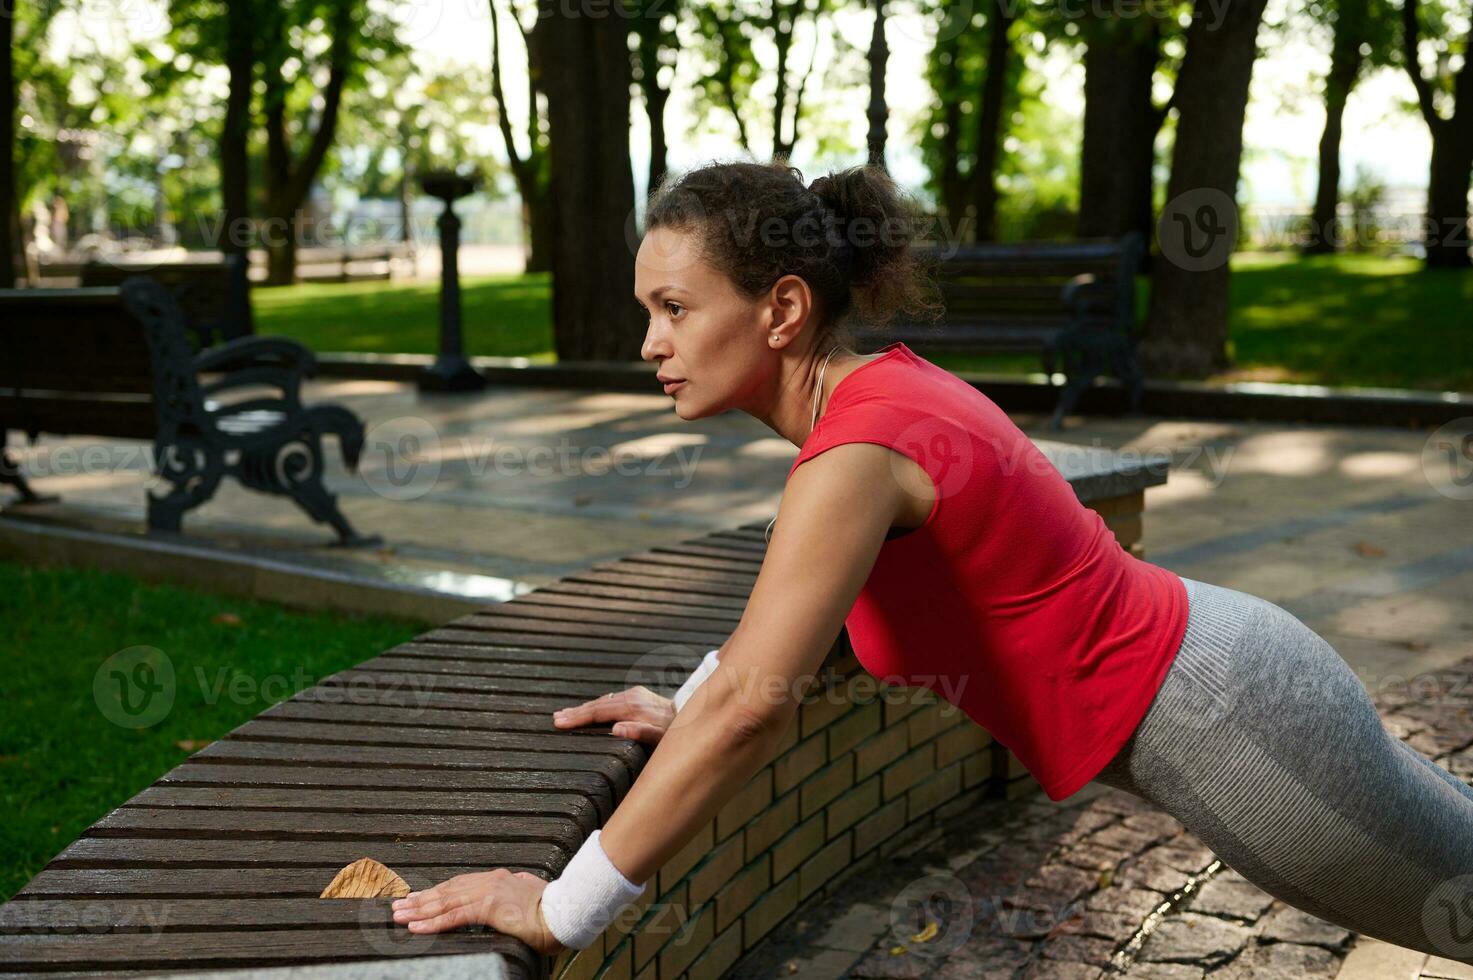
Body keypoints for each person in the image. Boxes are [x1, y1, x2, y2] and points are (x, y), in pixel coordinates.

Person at [390, 159, 1473, 964]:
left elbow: (752, 713)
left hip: (1238, 724)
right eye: (646, 311)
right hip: (1239, 677)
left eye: (675, 309)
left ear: (781, 309)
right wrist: (697, 694)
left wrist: (559, 906)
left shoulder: (854, 451)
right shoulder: (875, 402)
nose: (649, 344)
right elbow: (773, 654)